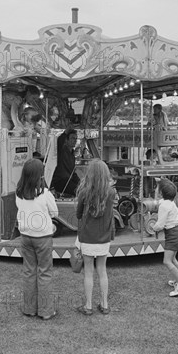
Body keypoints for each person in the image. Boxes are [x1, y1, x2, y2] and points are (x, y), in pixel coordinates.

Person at [16, 158, 59, 320]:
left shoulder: (19, 192)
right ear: (40, 175)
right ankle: (46, 311)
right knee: (45, 273)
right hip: (43, 237)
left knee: (29, 272)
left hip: (26, 236)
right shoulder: (45, 194)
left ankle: (29, 309)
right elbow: (55, 213)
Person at [74, 159, 116, 315]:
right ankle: (105, 304)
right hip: (104, 237)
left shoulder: (84, 193)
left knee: (89, 272)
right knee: (102, 270)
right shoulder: (111, 193)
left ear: (90, 174)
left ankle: (88, 306)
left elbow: (78, 214)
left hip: (87, 237)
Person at [151, 178, 178, 297]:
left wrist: (154, 227)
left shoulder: (164, 206)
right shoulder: (170, 202)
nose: (156, 189)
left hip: (172, 234)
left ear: (161, 193)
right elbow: (160, 202)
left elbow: (161, 224)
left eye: (157, 188)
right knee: (173, 259)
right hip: (177, 232)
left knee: (167, 261)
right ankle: (177, 279)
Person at [51, 128, 80, 196]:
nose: (75, 140)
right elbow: (60, 141)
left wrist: (81, 182)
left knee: (82, 189)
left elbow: (73, 172)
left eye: (76, 138)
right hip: (60, 181)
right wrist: (66, 132)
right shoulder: (62, 150)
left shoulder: (72, 155)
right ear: (66, 140)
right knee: (78, 191)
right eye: (72, 138)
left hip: (68, 181)